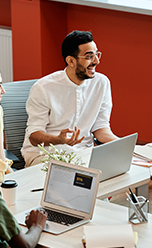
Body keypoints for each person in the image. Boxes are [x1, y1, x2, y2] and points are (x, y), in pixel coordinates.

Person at [22, 30, 118, 167]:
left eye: (97, 54)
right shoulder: (43, 88)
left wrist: (124, 146)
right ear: (71, 61)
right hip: (46, 153)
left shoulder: (101, 83)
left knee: (121, 178)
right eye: (89, 56)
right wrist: (58, 139)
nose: (96, 61)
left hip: (84, 153)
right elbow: (34, 136)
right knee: (84, 181)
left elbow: (101, 128)